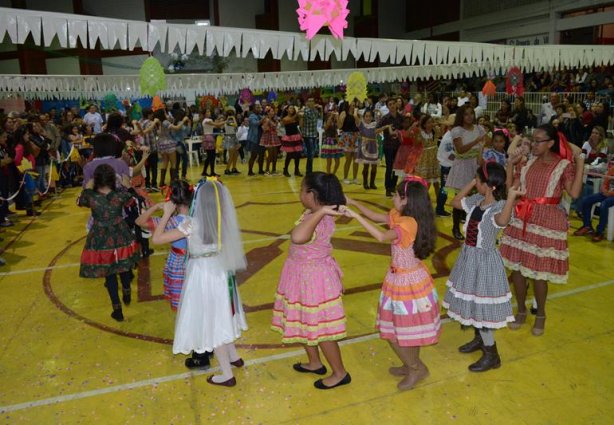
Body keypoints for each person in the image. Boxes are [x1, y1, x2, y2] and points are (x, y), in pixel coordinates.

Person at [343, 176, 440, 390]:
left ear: (406, 200)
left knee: (399, 332)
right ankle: (411, 364)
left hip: (407, 284)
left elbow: (381, 236)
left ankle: (416, 368)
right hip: (399, 279)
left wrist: (354, 216)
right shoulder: (403, 215)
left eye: (396, 195)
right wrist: (354, 204)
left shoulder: (407, 224)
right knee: (402, 330)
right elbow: (378, 216)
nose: (393, 198)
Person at [152, 178, 247, 386]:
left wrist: (167, 212)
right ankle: (234, 356)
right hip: (221, 272)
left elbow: (156, 239)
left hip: (203, 275)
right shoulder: (222, 222)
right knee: (223, 313)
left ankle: (226, 374)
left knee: (213, 321)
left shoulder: (191, 224)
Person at [500, 124, 585, 336]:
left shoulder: (563, 165)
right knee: (517, 269)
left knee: (539, 273)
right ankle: (520, 310)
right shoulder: (527, 163)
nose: (533, 144)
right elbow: (511, 189)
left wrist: (580, 162)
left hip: (547, 220)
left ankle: (541, 314)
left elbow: (574, 193)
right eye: (532, 140)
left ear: (550, 143)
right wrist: (510, 165)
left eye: (538, 141)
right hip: (523, 216)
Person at [272, 172, 351, 390]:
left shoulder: (319, 218)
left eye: (302, 189)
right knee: (304, 319)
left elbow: (298, 237)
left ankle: (340, 372)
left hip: (314, 279)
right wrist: (320, 209)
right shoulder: (316, 212)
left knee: (322, 328)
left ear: (312, 194)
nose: (299, 193)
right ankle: (315, 362)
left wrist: (321, 211)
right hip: (301, 275)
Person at [443, 163, 525, 372]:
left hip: (485, 263)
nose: (475, 183)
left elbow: (504, 221)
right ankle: (479, 339)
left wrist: (511, 198)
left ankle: (492, 354)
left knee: (483, 307)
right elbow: (454, 202)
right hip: (469, 260)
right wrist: (473, 182)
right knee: (473, 303)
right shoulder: (476, 201)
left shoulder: (498, 207)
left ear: (488, 185)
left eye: (478, 180)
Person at [78, 164, 141, 321]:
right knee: (124, 263)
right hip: (120, 232)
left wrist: (88, 185)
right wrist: (128, 185)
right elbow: (135, 198)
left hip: (100, 237)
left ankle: (117, 309)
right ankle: (126, 289)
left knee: (109, 273)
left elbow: (80, 201)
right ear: (113, 179)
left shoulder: (91, 197)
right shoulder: (119, 195)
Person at [136, 180, 193, 311]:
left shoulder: (170, 222)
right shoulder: (197, 217)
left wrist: (156, 207)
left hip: (178, 263)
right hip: (195, 262)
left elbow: (139, 222)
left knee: (182, 301)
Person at [446, 105, 486, 240]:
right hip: (462, 166)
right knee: (460, 199)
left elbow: (487, 143)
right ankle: (455, 227)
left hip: (475, 164)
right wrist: (476, 141)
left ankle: (473, 228)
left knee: (477, 198)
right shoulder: (457, 130)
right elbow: (461, 149)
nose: (470, 117)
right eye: (466, 114)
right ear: (461, 116)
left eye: (471, 114)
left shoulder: (479, 129)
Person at [573, 164, 614, 242]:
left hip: (612, 195)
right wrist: (604, 190)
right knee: (586, 200)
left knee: (604, 204)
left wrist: (610, 193)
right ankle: (587, 226)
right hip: (606, 193)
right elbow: (605, 182)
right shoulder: (612, 169)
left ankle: (600, 231)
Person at [378, 99, 405, 197]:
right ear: (387, 107)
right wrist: (385, 128)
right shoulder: (385, 118)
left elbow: (406, 128)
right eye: (390, 104)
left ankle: (393, 186)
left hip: (399, 146)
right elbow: (376, 129)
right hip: (388, 146)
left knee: (397, 168)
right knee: (389, 167)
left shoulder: (401, 117)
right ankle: (388, 188)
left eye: (393, 103)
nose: (392, 106)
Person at [415, 114, 441, 194]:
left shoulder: (436, 130)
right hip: (426, 159)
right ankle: (423, 200)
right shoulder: (421, 133)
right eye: (428, 123)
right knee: (426, 182)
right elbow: (416, 142)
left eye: (431, 122)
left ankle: (439, 203)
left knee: (436, 183)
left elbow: (440, 128)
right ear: (424, 124)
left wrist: (436, 122)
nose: (431, 124)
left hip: (435, 158)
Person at [356, 110, 379, 190]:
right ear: (364, 117)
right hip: (365, 147)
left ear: (372, 117)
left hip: (373, 146)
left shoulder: (375, 124)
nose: (368, 118)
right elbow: (356, 118)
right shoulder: (362, 124)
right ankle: (365, 182)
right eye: (366, 116)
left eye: (369, 116)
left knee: (374, 166)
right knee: (366, 166)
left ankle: (372, 183)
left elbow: (380, 126)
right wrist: (356, 111)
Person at [337, 102, 360, 184]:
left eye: (354, 105)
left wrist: (355, 115)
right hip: (347, 136)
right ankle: (345, 177)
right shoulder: (344, 113)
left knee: (356, 159)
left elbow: (358, 124)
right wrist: (339, 118)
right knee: (348, 159)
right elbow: (339, 126)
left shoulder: (356, 113)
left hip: (356, 136)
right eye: (352, 105)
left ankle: (355, 178)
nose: (354, 106)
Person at [281, 106, 304, 178]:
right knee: (289, 155)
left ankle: (296, 170)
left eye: (293, 108)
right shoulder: (285, 118)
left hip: (296, 137)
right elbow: (289, 120)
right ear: (287, 110)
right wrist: (297, 114)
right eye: (290, 108)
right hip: (289, 138)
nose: (292, 109)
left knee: (298, 154)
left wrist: (301, 117)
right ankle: (285, 170)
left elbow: (300, 125)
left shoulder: (295, 118)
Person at [301, 98, 322, 174]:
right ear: (307, 103)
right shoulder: (305, 111)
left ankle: (309, 170)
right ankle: (309, 171)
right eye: (309, 101)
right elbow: (301, 119)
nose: (311, 102)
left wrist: (321, 109)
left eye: (312, 101)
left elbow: (320, 118)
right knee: (311, 152)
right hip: (307, 134)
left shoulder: (316, 111)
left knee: (312, 153)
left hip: (313, 134)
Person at [259, 106, 281, 176]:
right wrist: (269, 126)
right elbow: (264, 129)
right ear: (268, 112)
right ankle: (267, 170)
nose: (273, 112)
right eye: (271, 111)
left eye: (273, 111)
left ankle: (274, 170)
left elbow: (277, 128)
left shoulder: (274, 119)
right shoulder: (266, 119)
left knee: (275, 155)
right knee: (270, 155)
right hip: (268, 138)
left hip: (274, 137)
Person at [246, 104, 265, 176]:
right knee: (253, 155)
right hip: (254, 139)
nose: (259, 109)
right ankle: (250, 171)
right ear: (253, 109)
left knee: (262, 155)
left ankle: (260, 170)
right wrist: (263, 119)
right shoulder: (251, 116)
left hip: (261, 138)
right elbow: (255, 123)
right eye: (257, 107)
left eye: (260, 107)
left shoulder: (260, 116)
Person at [223, 111, 240, 175]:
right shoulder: (227, 122)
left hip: (234, 137)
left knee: (236, 154)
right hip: (229, 138)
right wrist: (233, 118)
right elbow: (236, 125)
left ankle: (234, 168)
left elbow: (235, 128)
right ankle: (227, 169)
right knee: (231, 155)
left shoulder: (230, 122)